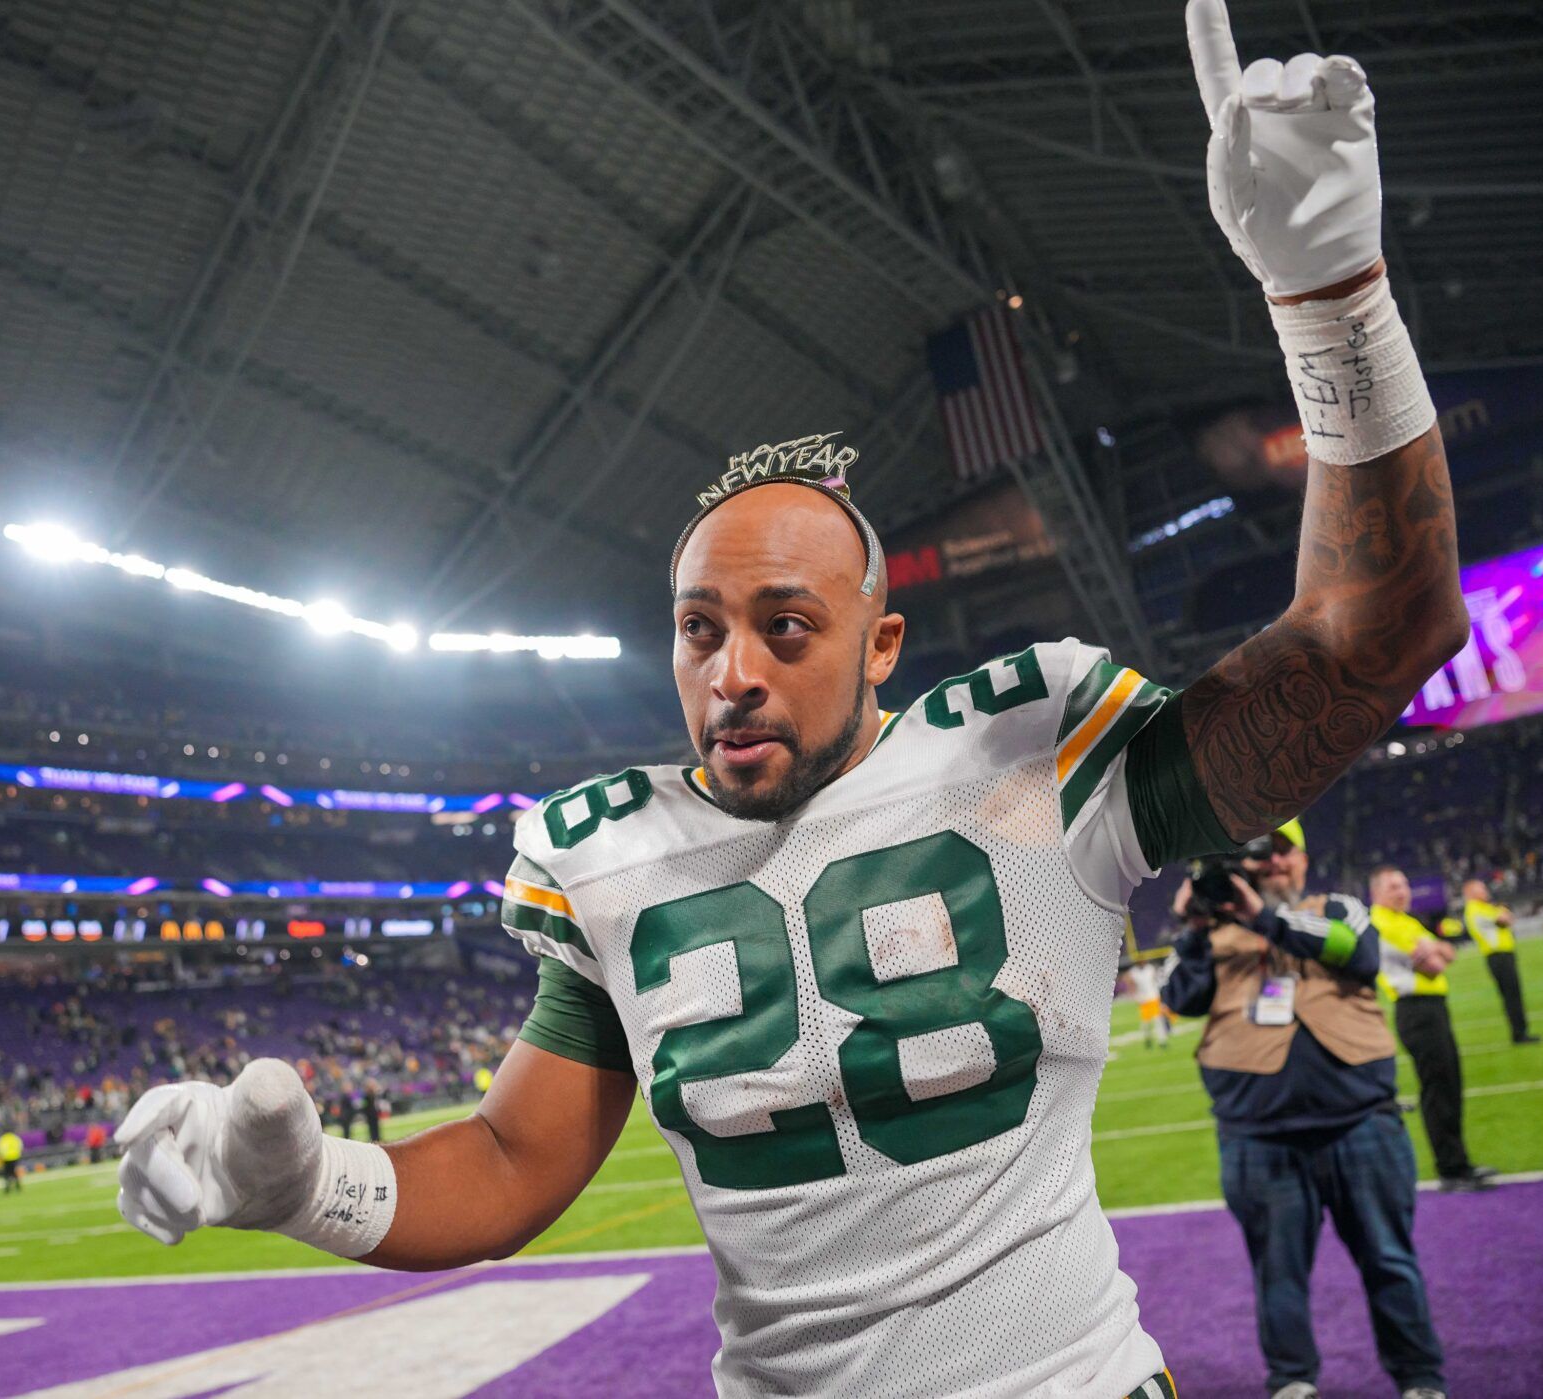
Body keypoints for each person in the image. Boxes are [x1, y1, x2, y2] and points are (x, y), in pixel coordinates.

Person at [114, 6, 1469, 1392]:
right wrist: (304, 1185)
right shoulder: (609, 852)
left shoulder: (1030, 753)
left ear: (884, 644)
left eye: (784, 625)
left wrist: (1333, 298)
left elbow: (1377, 636)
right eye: (698, 630)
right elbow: (516, 1159)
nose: (732, 671)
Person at [1164, 820, 1447, 1399]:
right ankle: (1292, 1381)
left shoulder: (1339, 907)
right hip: (1257, 1135)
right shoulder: (1211, 927)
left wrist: (1262, 919)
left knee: (1390, 1260)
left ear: (1303, 860)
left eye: (1283, 852)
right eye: (1259, 855)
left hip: (1360, 1122)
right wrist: (1195, 927)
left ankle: (1420, 1381)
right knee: (1278, 1272)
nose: (1272, 864)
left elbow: (1359, 952)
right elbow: (1178, 997)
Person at [1368, 867, 1495, 1192]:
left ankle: (1459, 1162)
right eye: (1394, 886)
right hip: (1416, 1010)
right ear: (1377, 893)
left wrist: (1437, 949)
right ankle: (1451, 1169)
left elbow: (1447, 952)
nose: (1403, 891)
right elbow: (1435, 964)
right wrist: (1436, 951)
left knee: (1450, 1085)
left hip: (1432, 1008)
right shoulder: (1383, 922)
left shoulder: (1406, 921)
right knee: (1439, 1090)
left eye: (1405, 884)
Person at [1461, 878, 1538, 1043]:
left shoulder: (1484, 908)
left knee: (1513, 995)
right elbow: (1504, 919)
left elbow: (1507, 918)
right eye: (1481, 888)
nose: (1485, 891)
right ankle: (1519, 1034)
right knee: (1512, 996)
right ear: (1471, 894)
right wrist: (1503, 911)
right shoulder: (1475, 909)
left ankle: (1520, 1032)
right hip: (1498, 956)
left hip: (1503, 955)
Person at [1127, 959, 1172, 1049]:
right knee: (1145, 1023)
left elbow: (1157, 980)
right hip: (1143, 999)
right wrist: (1135, 996)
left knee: (1158, 1020)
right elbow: (1131, 984)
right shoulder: (1133, 972)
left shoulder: (1150, 969)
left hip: (1153, 997)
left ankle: (1162, 1041)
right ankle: (1148, 1039)